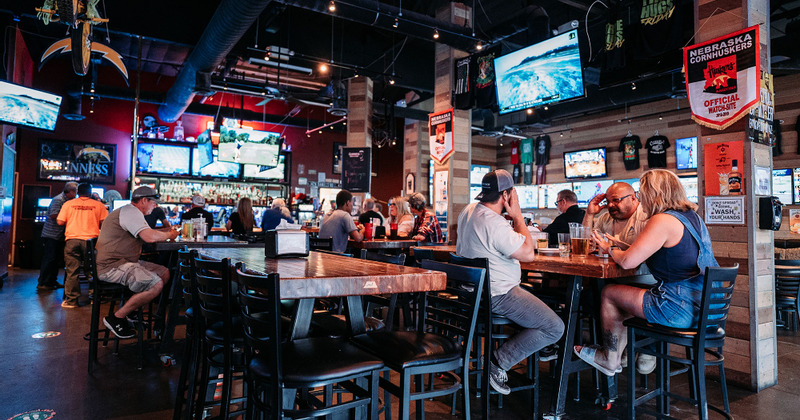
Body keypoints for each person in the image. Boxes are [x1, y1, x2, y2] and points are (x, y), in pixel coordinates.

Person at [574, 169, 718, 376]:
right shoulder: (691, 217)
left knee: (610, 293)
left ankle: (610, 358)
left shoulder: (662, 220)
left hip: (679, 308)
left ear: (654, 193)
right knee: (627, 293)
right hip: (706, 306)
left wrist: (608, 248)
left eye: (642, 193)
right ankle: (627, 352)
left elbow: (626, 261)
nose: (641, 199)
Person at [457, 169, 564, 395]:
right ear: (507, 195)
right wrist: (517, 216)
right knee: (555, 327)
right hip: (498, 294)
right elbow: (528, 254)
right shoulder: (494, 222)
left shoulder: (468, 211)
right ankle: (497, 361)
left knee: (541, 311)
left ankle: (540, 346)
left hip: (471, 292)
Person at [582, 182, 656, 374]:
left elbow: (642, 254)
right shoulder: (606, 218)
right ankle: (618, 349)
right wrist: (590, 214)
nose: (612, 205)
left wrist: (612, 248)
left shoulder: (646, 217)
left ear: (634, 198)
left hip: (647, 279)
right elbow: (585, 241)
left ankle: (647, 346)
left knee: (607, 294)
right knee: (591, 297)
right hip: (615, 278)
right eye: (608, 201)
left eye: (616, 200)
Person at [96, 186, 179, 338]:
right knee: (156, 283)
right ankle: (116, 318)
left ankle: (131, 311)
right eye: (154, 203)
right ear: (143, 200)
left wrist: (168, 232)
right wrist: (170, 233)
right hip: (112, 266)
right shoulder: (130, 212)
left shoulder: (134, 213)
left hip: (126, 261)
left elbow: (150, 232)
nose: (156, 206)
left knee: (164, 273)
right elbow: (148, 237)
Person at [57, 183, 108, 308]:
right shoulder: (98, 205)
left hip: (72, 239)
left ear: (78, 192)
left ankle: (72, 301)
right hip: (91, 241)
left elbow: (59, 221)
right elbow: (105, 224)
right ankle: (94, 297)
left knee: (72, 271)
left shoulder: (68, 204)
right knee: (91, 270)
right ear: (90, 193)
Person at [37, 182, 78, 291]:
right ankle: (43, 283)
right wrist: (69, 216)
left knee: (55, 260)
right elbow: (53, 215)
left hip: (59, 235)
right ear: (71, 191)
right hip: (51, 235)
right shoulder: (58, 200)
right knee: (49, 259)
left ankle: (51, 281)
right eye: (76, 192)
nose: (76, 194)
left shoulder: (67, 201)